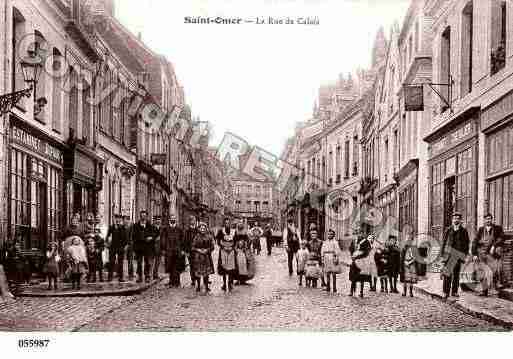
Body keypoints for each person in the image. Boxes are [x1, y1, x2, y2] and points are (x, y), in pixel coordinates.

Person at [472, 213, 505, 296]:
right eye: (486, 219)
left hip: (491, 254)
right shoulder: (480, 230)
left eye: (489, 219)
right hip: (481, 253)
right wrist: (474, 254)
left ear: (492, 219)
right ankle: (484, 291)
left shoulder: (497, 228)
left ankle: (497, 288)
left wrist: (494, 246)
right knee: (481, 272)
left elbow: (501, 238)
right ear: (484, 220)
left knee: (494, 270)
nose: (488, 220)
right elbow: (475, 242)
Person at [441, 212, 470, 299]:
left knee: (456, 275)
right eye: (454, 218)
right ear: (452, 220)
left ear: (460, 220)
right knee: (447, 274)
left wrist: (464, 255)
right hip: (448, 255)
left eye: (458, 218)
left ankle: (454, 291)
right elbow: (444, 242)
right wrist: (442, 254)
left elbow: (466, 244)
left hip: (458, 255)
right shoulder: (448, 230)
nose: (456, 220)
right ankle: (446, 292)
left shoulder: (464, 231)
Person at [161, 214, 185, 287]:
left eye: (174, 218)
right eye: (171, 218)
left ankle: (177, 282)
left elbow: (183, 240)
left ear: (176, 220)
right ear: (169, 220)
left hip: (177, 250)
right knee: (170, 266)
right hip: (169, 251)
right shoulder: (166, 229)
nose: (173, 219)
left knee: (177, 267)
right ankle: (171, 282)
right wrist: (164, 249)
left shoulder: (179, 229)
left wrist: (182, 249)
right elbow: (163, 239)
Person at [191, 222, 215, 292]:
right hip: (198, 257)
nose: (202, 229)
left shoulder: (209, 237)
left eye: (204, 228)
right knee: (198, 272)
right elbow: (192, 246)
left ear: (206, 229)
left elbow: (212, 246)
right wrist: (198, 250)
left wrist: (207, 250)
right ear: (199, 229)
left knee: (206, 273)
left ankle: (206, 286)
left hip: (206, 256)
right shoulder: (196, 237)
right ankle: (198, 286)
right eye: (201, 228)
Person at [132, 210, 155, 283]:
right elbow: (133, 236)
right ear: (140, 217)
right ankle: (139, 276)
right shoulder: (136, 225)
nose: (143, 217)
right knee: (139, 262)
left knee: (147, 262)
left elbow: (153, 235)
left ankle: (147, 276)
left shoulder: (150, 225)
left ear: (146, 217)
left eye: (144, 216)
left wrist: (151, 237)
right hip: (139, 247)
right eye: (142, 216)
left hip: (147, 247)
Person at [216, 218, 237, 292]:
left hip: (231, 251)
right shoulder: (221, 231)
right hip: (223, 250)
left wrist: (232, 247)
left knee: (231, 268)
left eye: (228, 223)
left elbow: (235, 241)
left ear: (230, 224)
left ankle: (230, 283)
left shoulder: (234, 231)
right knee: (224, 267)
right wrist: (223, 247)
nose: (227, 224)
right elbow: (218, 241)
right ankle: (224, 284)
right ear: (224, 223)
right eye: (226, 223)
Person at [106, 214, 128, 282]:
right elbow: (107, 236)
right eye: (116, 219)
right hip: (112, 247)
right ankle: (110, 277)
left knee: (120, 262)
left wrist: (125, 246)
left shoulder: (123, 227)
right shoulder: (111, 227)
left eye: (119, 219)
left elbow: (125, 238)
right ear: (115, 219)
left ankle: (121, 277)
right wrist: (107, 242)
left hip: (120, 247)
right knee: (111, 262)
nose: (117, 220)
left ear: (121, 220)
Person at [321, 229, 342, 293]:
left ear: (333, 235)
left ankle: (334, 287)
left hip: (332, 257)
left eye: (331, 234)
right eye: (328, 234)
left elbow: (338, 251)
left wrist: (336, 257)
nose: (329, 235)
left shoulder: (335, 242)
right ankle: (328, 286)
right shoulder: (325, 242)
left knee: (333, 273)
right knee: (327, 273)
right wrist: (322, 257)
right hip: (326, 257)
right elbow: (322, 250)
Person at [184, 215, 198, 286]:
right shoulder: (187, 231)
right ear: (189, 222)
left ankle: (197, 278)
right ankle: (193, 279)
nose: (193, 222)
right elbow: (185, 242)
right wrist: (186, 251)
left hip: (197, 251)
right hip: (190, 251)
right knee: (192, 265)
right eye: (191, 220)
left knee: (197, 265)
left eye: (194, 220)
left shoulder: (198, 230)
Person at [124, 216, 135, 281]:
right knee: (125, 259)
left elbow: (131, 236)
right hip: (124, 245)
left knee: (130, 259)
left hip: (130, 245)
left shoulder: (131, 226)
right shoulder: (123, 226)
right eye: (124, 220)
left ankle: (131, 273)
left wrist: (128, 244)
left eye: (126, 220)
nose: (125, 221)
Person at [152, 215, 162, 280]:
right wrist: (155, 238)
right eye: (157, 220)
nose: (158, 221)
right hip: (153, 247)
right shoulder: (152, 227)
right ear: (155, 221)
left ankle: (156, 274)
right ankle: (150, 274)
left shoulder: (162, 228)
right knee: (151, 262)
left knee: (158, 262)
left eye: (159, 220)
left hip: (160, 247)